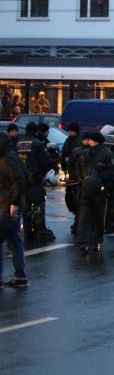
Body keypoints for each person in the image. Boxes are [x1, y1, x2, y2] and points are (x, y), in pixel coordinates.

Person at [72, 132, 114, 254]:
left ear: (94, 141)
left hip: (85, 189)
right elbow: (112, 172)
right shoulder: (108, 154)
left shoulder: (84, 153)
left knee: (84, 215)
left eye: (90, 139)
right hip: (99, 190)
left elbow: (76, 169)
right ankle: (96, 241)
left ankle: (84, 242)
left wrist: (82, 180)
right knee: (98, 215)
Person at [16, 122, 55, 243]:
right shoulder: (37, 144)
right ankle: (40, 231)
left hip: (22, 180)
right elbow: (46, 162)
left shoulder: (19, 143)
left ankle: (28, 230)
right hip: (35, 179)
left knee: (25, 207)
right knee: (38, 205)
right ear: (35, 131)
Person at [0, 132, 29, 288]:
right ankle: (20, 276)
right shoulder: (11, 156)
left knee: (12, 240)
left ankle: (19, 276)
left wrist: (14, 202)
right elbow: (25, 176)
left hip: (5, 205)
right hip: (10, 205)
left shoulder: (5, 160)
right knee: (14, 240)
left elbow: (20, 179)